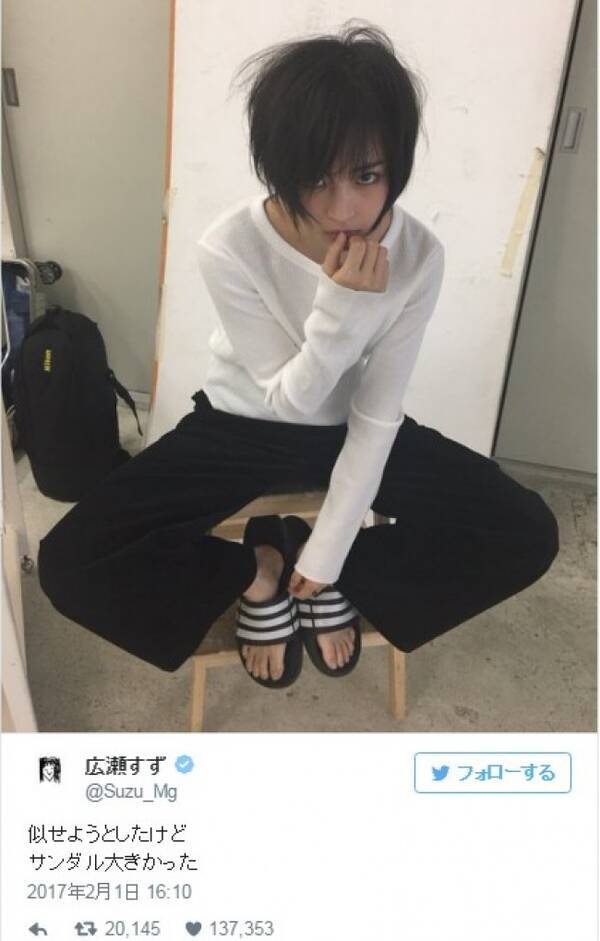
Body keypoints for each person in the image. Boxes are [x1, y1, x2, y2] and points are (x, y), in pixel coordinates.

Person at [37, 22, 558, 694]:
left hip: (353, 429)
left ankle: (335, 578)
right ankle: (258, 571)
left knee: (526, 531)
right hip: (240, 425)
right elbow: (290, 399)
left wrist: (332, 548)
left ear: (394, 163)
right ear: (280, 167)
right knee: (70, 563)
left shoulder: (418, 254)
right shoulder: (230, 245)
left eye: (368, 174)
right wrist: (344, 304)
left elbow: (377, 412)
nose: (345, 207)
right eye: (316, 178)